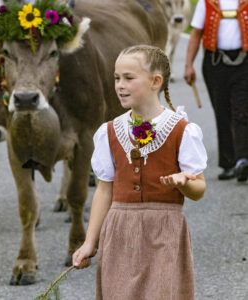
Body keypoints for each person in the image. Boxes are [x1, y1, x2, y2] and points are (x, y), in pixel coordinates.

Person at [72, 45, 207, 300]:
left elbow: (199, 189)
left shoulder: (181, 130)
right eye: (116, 78)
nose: (120, 85)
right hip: (120, 231)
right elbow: (104, 190)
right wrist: (91, 242)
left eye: (129, 78)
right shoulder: (110, 131)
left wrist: (184, 183)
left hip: (164, 231)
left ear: (156, 81)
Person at [184, 0, 248, 181]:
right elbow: (196, 34)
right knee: (222, 112)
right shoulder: (207, 3)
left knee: (241, 111)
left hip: (244, 63)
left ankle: (242, 159)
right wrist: (188, 65)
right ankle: (228, 163)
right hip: (215, 63)